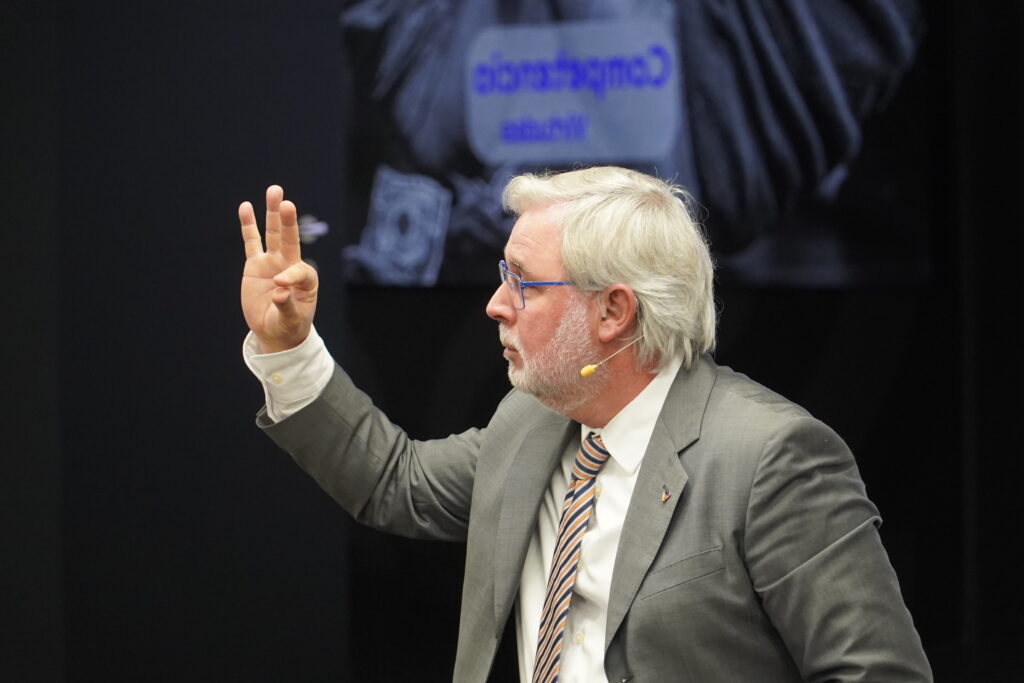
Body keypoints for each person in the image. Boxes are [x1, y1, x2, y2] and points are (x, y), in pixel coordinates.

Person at [239, 167, 932, 682]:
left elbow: (878, 673)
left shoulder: (771, 457)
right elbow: (395, 482)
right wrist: (288, 345)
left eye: (522, 281)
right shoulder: (531, 422)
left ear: (613, 311)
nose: (495, 304)